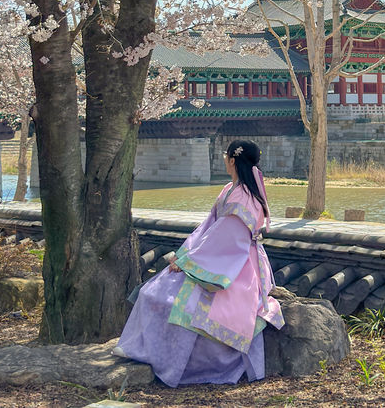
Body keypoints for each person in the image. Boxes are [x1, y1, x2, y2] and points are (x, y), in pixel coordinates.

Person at [114, 139, 284, 386]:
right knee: (155, 290)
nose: (225, 160)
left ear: (232, 160)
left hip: (236, 267)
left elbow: (227, 238)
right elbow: (208, 228)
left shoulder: (244, 198)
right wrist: (186, 255)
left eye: (226, 156)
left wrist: (189, 262)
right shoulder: (230, 190)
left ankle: (166, 359)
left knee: (184, 306)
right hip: (217, 257)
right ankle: (144, 349)